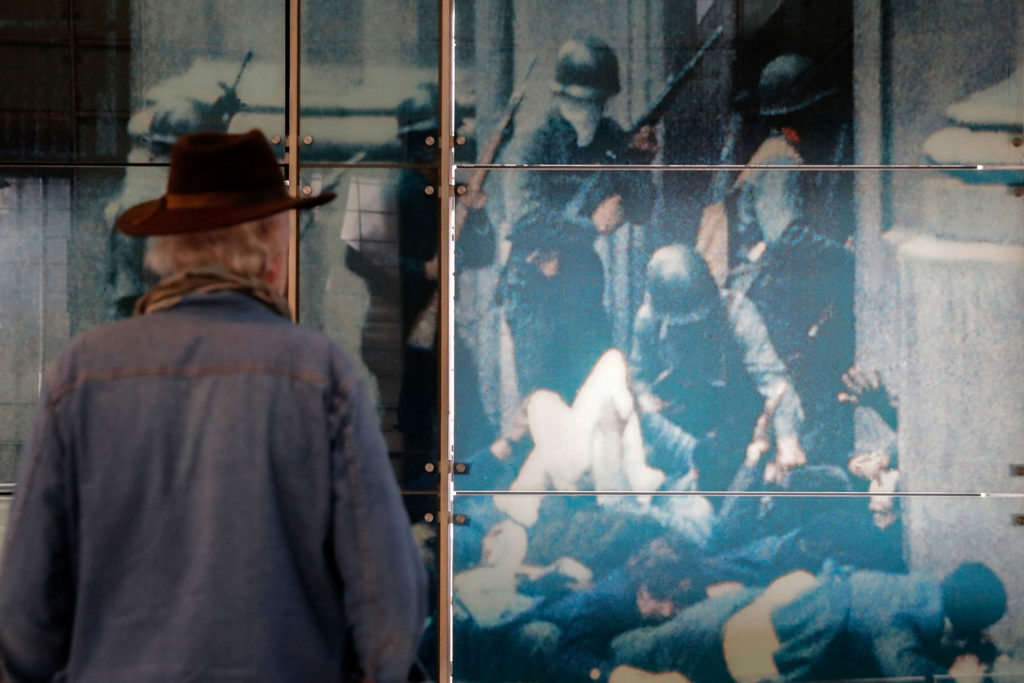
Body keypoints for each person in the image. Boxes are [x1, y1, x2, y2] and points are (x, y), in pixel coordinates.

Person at [0, 130, 427, 682]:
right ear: (270, 247)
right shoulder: (320, 374)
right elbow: (386, 602)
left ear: (168, 252)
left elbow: (24, 610)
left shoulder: (82, 372)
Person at [499, 35, 655, 406]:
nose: (591, 111)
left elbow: (642, 208)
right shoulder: (532, 142)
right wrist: (591, 226)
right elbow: (523, 219)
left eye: (598, 102)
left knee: (594, 402)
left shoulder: (612, 137)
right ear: (562, 96)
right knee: (543, 407)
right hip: (534, 288)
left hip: (582, 286)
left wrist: (639, 164)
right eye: (583, 101)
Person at [612, 561, 1007, 682]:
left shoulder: (915, 590)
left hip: (762, 615)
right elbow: (900, 671)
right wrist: (956, 680)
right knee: (651, 653)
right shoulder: (902, 621)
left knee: (655, 644)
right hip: (744, 644)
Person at [630, 244, 805, 491]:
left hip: (734, 424)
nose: (689, 330)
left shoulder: (737, 313)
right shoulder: (648, 321)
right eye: (681, 326)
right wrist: (645, 400)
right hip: (681, 427)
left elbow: (774, 381)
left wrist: (788, 438)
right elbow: (637, 378)